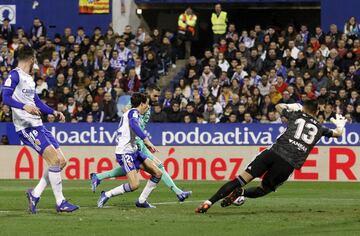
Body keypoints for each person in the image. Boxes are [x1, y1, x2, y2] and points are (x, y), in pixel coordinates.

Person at [195, 100, 346, 213]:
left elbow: (278, 106)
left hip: (272, 153)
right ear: (317, 111)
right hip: (288, 163)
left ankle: (209, 202)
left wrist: (292, 105)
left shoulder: (297, 114)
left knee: (239, 180)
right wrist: (340, 127)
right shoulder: (320, 128)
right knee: (264, 189)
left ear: (303, 108)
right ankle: (242, 194)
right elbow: (337, 134)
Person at [2, 46, 79, 213]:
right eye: (35, 58)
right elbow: (5, 97)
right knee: (54, 160)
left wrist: (53, 111)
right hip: (26, 127)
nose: (35, 61)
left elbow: (36, 101)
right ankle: (61, 202)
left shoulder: (29, 78)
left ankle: (35, 194)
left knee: (61, 161)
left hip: (38, 125)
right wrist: (24, 106)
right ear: (31, 58)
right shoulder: (14, 75)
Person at [91, 84, 192, 202]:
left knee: (145, 170)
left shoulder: (146, 107)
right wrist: (144, 139)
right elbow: (130, 116)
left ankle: (99, 177)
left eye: (158, 96)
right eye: (154, 95)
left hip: (135, 144)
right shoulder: (135, 109)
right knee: (155, 168)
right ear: (147, 95)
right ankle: (177, 193)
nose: (156, 98)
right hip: (136, 142)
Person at [97, 93, 162, 208]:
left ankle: (141, 201)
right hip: (125, 153)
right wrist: (146, 140)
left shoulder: (132, 113)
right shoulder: (133, 112)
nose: (147, 107)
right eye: (146, 104)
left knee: (157, 173)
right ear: (141, 104)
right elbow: (133, 124)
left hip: (134, 151)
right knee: (134, 185)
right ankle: (106, 194)